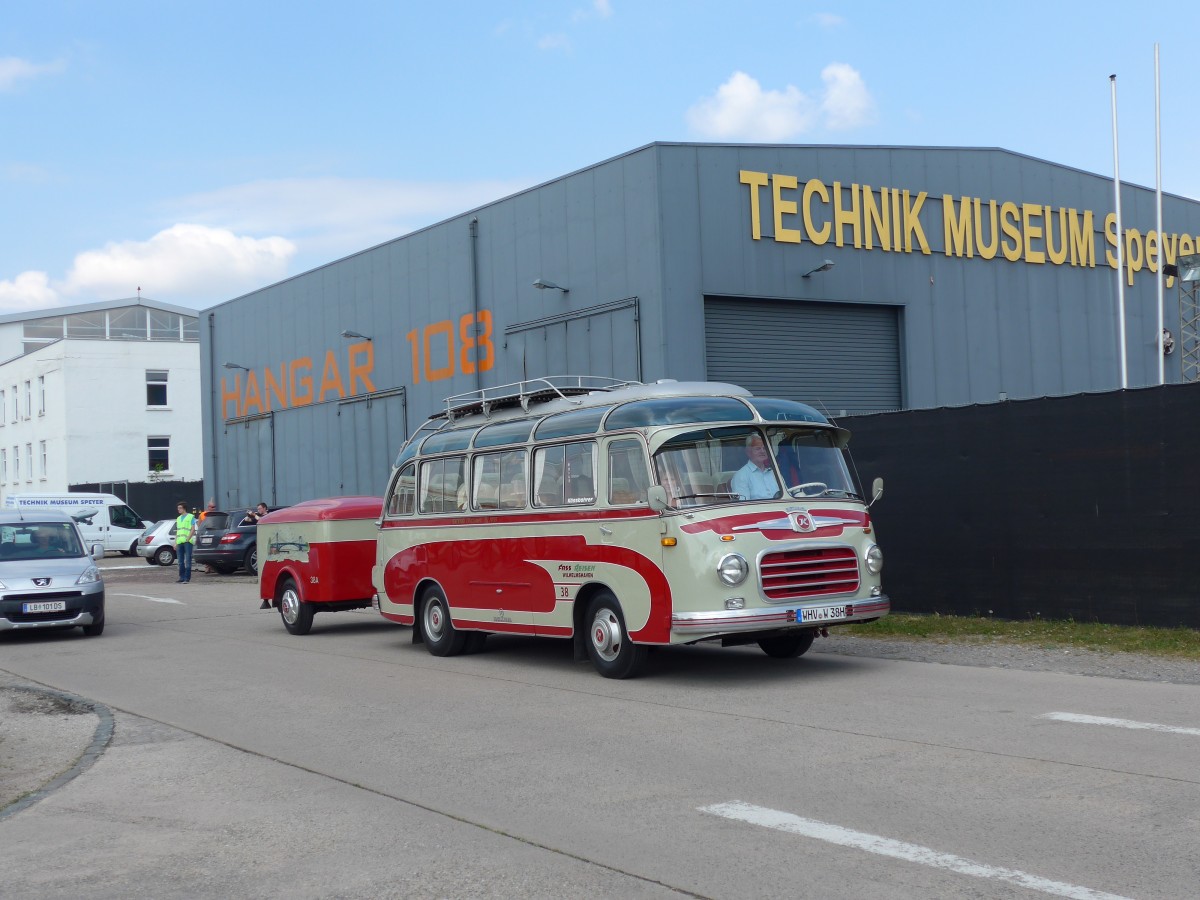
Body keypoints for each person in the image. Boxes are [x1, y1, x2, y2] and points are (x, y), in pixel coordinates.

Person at [731, 434, 780, 500]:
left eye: (764, 448)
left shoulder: (775, 472)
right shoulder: (741, 476)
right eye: (758, 448)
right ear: (748, 452)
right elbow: (743, 507)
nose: (762, 451)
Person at [174, 501, 197, 583]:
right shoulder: (178, 518)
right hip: (180, 541)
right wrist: (175, 542)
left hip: (187, 542)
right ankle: (181, 577)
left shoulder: (191, 517)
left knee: (188, 560)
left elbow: (193, 529)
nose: (178, 510)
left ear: (184, 508)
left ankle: (187, 578)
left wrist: (188, 538)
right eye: (178, 508)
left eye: (180, 508)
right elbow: (177, 531)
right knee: (180, 561)